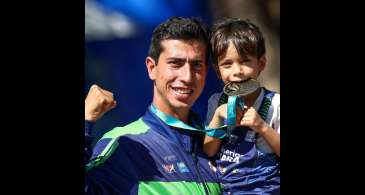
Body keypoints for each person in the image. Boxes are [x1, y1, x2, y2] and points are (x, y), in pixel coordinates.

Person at [84, 17, 221, 194]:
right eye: (175, 63)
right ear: (151, 68)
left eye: (196, 65)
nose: (187, 76)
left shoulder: (217, 144)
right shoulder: (125, 145)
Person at [203, 18, 280, 194]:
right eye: (227, 64)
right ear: (217, 70)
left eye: (245, 61)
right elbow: (208, 150)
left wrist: (262, 126)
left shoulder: (275, 103)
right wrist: (217, 118)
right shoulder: (216, 102)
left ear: (261, 64)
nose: (237, 71)